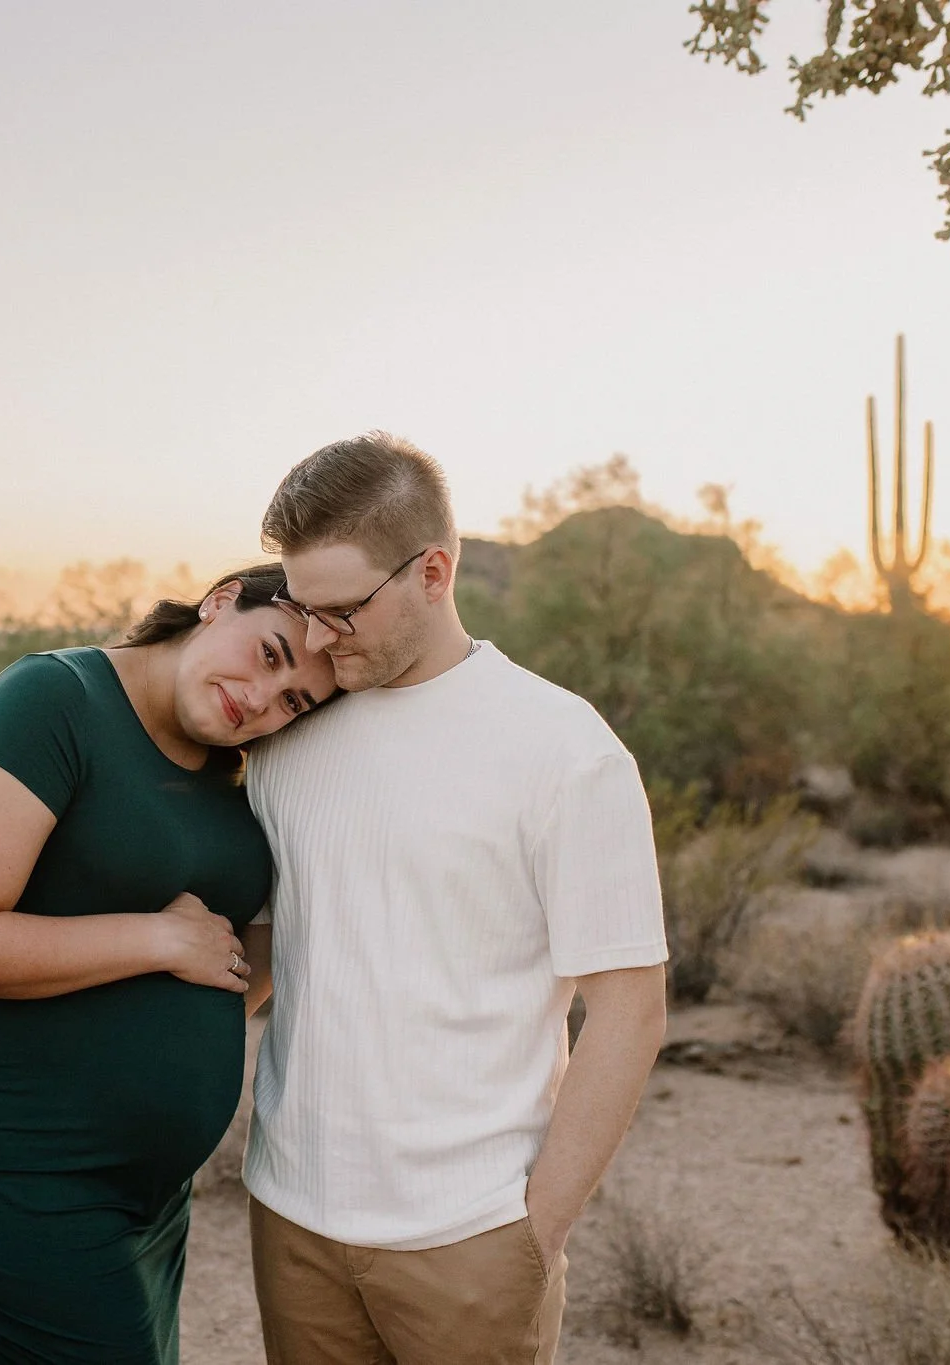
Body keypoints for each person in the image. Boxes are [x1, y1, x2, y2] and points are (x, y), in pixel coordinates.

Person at [239, 432, 669, 1365]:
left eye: (342, 609)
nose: (315, 639)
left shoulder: (563, 748)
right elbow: (279, 948)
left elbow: (630, 1008)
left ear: (432, 571)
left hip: (471, 1235)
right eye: (302, 609)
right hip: (291, 1217)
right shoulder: (286, 737)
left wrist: (533, 1232)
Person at [0, 563, 339, 1365]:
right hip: (13, 1181)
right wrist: (159, 941)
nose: (262, 702)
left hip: (147, 1205)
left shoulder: (233, 768)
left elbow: (241, 950)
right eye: (271, 656)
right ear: (221, 600)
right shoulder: (53, 699)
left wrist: (189, 1026)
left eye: (293, 702)